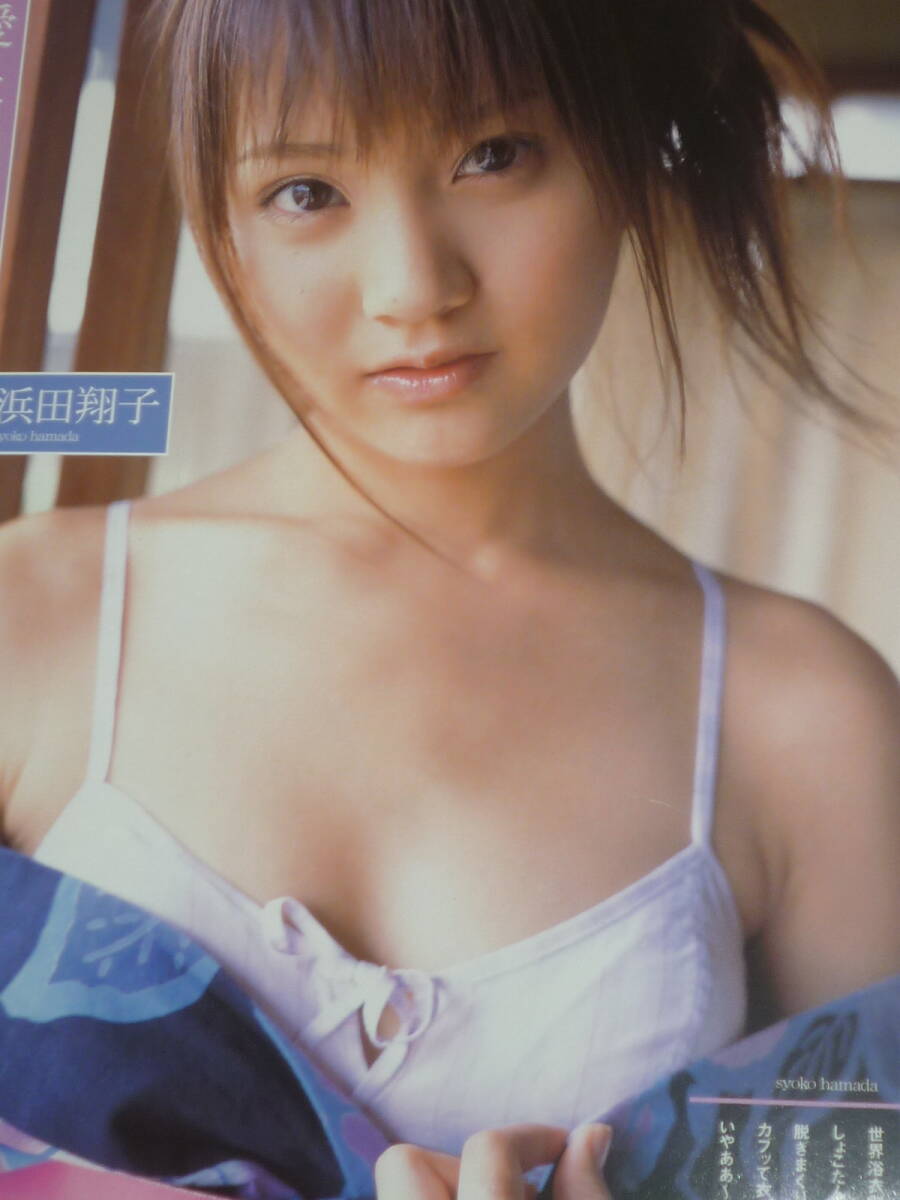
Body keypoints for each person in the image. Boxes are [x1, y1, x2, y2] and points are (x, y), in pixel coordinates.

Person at [0, 0, 898, 1196]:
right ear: (219, 217)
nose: (413, 286)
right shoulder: (31, 619)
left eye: (494, 156)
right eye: (306, 192)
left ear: (625, 149)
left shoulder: (807, 722)